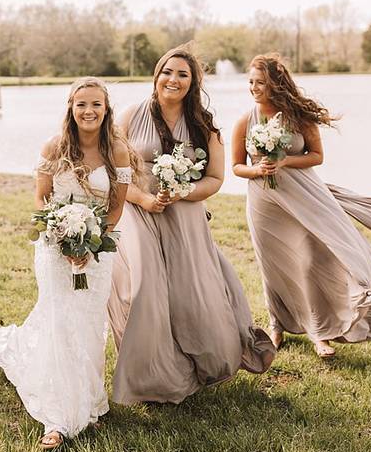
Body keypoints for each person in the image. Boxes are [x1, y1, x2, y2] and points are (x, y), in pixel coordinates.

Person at [107, 44, 275, 405]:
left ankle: (203, 356)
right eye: (168, 71)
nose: (173, 79)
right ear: (157, 75)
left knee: (190, 292)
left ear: (193, 82)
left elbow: (215, 178)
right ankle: (152, 373)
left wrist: (183, 192)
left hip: (184, 215)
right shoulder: (130, 115)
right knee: (143, 290)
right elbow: (115, 171)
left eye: (183, 74)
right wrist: (144, 198)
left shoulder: (203, 124)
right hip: (139, 210)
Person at [231, 52, 371, 358]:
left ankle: (320, 331)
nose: (253, 88)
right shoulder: (244, 121)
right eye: (250, 82)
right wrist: (258, 169)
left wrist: (285, 160)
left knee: (310, 260)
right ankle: (276, 325)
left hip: (304, 197)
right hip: (265, 202)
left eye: (260, 82)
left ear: (276, 84)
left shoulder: (298, 117)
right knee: (273, 264)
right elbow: (236, 167)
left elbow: (316, 156)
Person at [0, 77, 133, 451]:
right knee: (58, 319)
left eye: (96, 105)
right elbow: (40, 199)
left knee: (88, 323)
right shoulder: (55, 147)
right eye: (81, 104)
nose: (88, 111)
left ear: (106, 109)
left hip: (98, 249)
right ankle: (57, 417)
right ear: (70, 107)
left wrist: (91, 240)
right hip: (53, 248)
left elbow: (116, 206)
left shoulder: (117, 150)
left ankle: (89, 402)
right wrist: (61, 234)